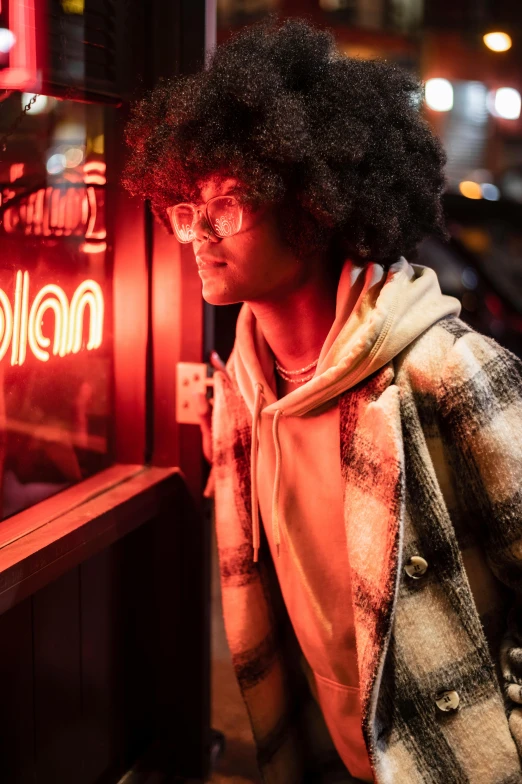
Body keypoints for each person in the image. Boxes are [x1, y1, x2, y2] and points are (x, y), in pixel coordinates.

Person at [122, 17, 522, 783]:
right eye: (186, 209)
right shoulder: (246, 395)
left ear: (311, 204)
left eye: (230, 203)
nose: (199, 232)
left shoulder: (447, 373)